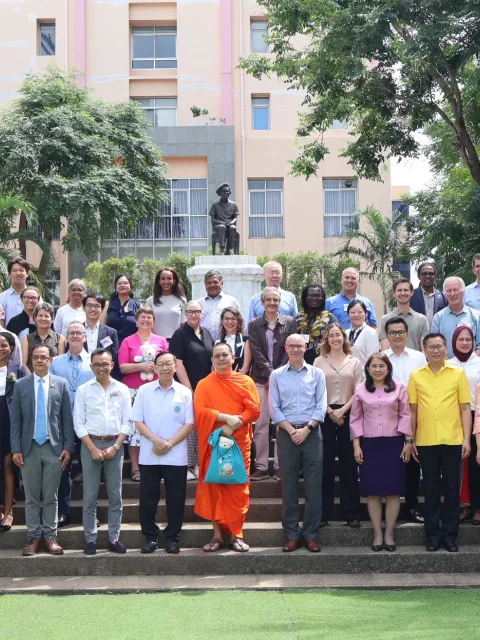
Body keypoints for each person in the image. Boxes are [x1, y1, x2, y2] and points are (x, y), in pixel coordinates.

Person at [407, 333, 472, 552]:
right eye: (432, 347)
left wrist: (466, 439)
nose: (436, 350)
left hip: (453, 440)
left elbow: (465, 408)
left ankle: (450, 535)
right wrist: (412, 438)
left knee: (452, 489)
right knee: (432, 489)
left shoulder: (458, 373)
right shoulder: (416, 375)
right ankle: (433, 535)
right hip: (426, 441)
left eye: (440, 346)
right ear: (424, 350)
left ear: (446, 349)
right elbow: (413, 410)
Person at [194, 342, 260, 552]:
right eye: (217, 356)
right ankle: (217, 535)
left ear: (233, 358)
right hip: (214, 444)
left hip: (239, 443)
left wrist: (235, 424)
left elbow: (254, 410)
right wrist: (225, 419)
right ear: (212, 360)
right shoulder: (204, 384)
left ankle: (236, 535)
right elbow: (200, 412)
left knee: (238, 488)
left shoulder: (245, 381)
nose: (221, 359)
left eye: (225, 355)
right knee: (215, 486)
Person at [10, 344, 74, 556]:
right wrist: (16, 448)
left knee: (51, 496)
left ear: (51, 360)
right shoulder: (21, 385)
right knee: (31, 497)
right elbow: (16, 420)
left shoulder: (61, 384)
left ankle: (50, 537)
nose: (39, 360)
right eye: (36, 357)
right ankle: (33, 538)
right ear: (31, 361)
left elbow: (67, 418)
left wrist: (67, 446)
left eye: (43, 357)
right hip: (28, 449)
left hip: (53, 447)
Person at [132, 351, 194, 554]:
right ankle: (150, 537)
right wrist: (157, 441)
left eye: (170, 364)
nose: (166, 368)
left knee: (176, 499)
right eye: (162, 364)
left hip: (176, 455)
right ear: (155, 368)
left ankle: (172, 537)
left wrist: (168, 444)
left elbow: (189, 424)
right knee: (148, 498)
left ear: (176, 367)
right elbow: (138, 421)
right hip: (149, 454)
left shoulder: (184, 392)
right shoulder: (144, 390)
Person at [269, 335, 326, 552]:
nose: (295, 349)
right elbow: (274, 408)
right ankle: (292, 534)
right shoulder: (276, 375)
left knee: (314, 486)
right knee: (289, 486)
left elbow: (321, 405)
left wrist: (307, 429)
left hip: (311, 433)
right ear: (285, 348)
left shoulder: (317, 374)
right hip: (286, 432)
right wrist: (293, 431)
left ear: (306, 347)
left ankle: (311, 535)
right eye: (291, 346)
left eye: (299, 346)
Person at [350, 354, 412, 551]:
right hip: (369, 444)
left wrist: (409, 441)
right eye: (374, 366)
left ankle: (389, 533)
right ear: (367, 369)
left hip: (394, 443)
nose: (378, 369)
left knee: (393, 492)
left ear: (388, 368)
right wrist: (356, 445)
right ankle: (377, 533)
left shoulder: (399, 387)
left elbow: (405, 414)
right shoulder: (360, 389)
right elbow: (355, 418)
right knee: (373, 493)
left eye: (382, 366)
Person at [74, 348, 131, 555]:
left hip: (115, 445)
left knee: (116, 495)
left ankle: (114, 538)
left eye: (105, 364)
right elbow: (78, 424)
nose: (101, 368)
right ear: (91, 367)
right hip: (90, 445)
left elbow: (127, 422)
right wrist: (92, 448)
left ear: (112, 365)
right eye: (97, 364)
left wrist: (116, 447)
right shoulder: (84, 390)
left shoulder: (122, 389)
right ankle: (90, 539)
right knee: (90, 496)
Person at [314, 323, 363, 527]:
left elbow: (359, 390)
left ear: (344, 337)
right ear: (326, 338)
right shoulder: (318, 361)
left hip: (348, 413)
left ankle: (351, 513)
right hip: (325, 413)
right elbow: (315, 389)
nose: (335, 338)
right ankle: (323, 514)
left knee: (348, 465)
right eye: (331, 335)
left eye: (338, 335)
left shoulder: (355, 362)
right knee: (324, 464)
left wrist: (342, 411)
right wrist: (330, 411)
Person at [248, 287, 296, 481]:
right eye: (268, 300)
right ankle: (260, 466)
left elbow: (288, 350)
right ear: (262, 303)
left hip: (284, 379)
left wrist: (276, 375)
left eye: (275, 300)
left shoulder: (290, 322)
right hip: (260, 379)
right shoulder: (254, 324)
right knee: (261, 424)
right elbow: (256, 350)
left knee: (282, 423)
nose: (272, 303)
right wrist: (269, 374)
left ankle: (279, 465)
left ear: (280, 302)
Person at [382, 317, 427, 524]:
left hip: (414, 414)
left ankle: (411, 505)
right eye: (392, 332)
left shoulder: (419, 357)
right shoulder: (381, 358)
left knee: (412, 463)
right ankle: (389, 505)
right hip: (386, 418)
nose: (397, 336)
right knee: (389, 462)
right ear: (387, 335)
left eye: (400, 332)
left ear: (407, 334)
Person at [50, 321, 95, 521]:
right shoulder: (55, 362)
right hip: (62, 420)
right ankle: (63, 511)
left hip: (88, 419)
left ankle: (91, 513)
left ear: (85, 337)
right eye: (71, 333)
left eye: (79, 332)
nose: (75, 336)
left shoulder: (94, 361)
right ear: (66, 337)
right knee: (63, 466)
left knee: (91, 468)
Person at [118, 306, 168, 483]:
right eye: (143, 317)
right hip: (134, 390)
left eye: (149, 317)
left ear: (153, 321)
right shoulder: (128, 341)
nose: (146, 320)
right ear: (137, 321)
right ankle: (135, 468)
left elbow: (167, 363)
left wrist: (156, 367)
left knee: (155, 427)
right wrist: (141, 366)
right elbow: (122, 367)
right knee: (135, 431)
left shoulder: (161, 341)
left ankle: (156, 466)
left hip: (157, 389)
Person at [169, 300, 215, 479]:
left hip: (206, 388)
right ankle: (190, 466)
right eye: (190, 312)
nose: (193, 315)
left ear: (202, 313)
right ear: (185, 314)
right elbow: (177, 363)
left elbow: (212, 360)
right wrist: (190, 389)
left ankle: (203, 463)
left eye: (197, 311)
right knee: (190, 427)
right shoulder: (180, 334)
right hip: (188, 388)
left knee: (204, 425)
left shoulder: (207, 333)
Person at [448, 325, 480, 523]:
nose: (465, 343)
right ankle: (462, 505)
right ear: (454, 342)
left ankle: (477, 507)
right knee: (457, 464)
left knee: (475, 464)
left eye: (468, 339)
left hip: (477, 416)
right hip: (453, 416)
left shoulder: (479, 362)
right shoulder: (447, 363)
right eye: (461, 339)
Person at [0, 333, 28, 532]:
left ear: (11, 348)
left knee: (9, 464)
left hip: (9, 419)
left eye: (4, 345)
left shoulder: (18, 369)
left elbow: (27, 393)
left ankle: (9, 512)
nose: (1, 349)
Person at [431, 277, 480, 358]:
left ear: (463, 291)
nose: (452, 294)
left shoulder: (476, 316)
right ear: (445, 294)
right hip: (446, 367)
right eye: (449, 291)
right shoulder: (438, 318)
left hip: (471, 366)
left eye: (455, 290)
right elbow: (435, 345)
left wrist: (470, 363)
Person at [379, 278, 429, 351]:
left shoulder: (422, 319)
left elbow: (424, 350)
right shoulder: (385, 319)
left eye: (406, 290)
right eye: (399, 290)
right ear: (394, 293)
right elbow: (385, 350)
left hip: (416, 362)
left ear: (411, 292)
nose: (403, 293)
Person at [296, 284, 337, 365]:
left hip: (324, 360)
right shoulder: (297, 318)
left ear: (323, 298)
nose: (314, 298)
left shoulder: (329, 318)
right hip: (301, 361)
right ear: (305, 298)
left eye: (318, 295)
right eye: (311, 295)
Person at [22, 302, 65, 372]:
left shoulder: (59, 338)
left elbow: (61, 363)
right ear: (35, 318)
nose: (43, 318)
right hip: (32, 378)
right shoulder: (27, 338)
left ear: (52, 319)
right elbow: (24, 364)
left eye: (47, 316)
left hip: (53, 379)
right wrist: (31, 378)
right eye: (40, 315)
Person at [197, 270, 240, 341]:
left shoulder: (231, 301)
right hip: (204, 343)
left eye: (215, 282)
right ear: (205, 285)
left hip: (227, 342)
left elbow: (241, 323)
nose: (212, 285)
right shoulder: (199, 303)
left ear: (222, 283)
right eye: (208, 283)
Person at [145, 267, 186, 339]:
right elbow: (146, 324)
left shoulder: (182, 300)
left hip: (176, 341)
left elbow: (184, 324)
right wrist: (159, 340)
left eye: (169, 278)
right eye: (163, 279)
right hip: (156, 343)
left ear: (174, 281)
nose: (166, 281)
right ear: (159, 281)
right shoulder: (150, 301)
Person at [101, 274, 141, 346]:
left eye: (125, 283)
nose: (122, 285)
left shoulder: (138, 306)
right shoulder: (108, 304)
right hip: (112, 346)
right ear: (115, 287)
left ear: (131, 286)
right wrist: (108, 347)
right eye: (119, 283)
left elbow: (142, 328)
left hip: (132, 346)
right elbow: (102, 328)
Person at [0, 259, 39, 326]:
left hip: (32, 335)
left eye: (21, 270)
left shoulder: (35, 296)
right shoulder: (2, 297)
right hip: (9, 335)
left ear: (27, 274)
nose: (18, 273)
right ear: (9, 274)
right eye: (14, 271)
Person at [82, 292, 119, 362]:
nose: (93, 309)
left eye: (97, 306)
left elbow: (114, 356)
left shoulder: (111, 333)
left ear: (102, 309)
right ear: (84, 308)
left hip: (103, 371)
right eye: (89, 305)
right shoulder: (75, 331)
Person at [410, 262, 447, 328]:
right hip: (417, 336)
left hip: (437, 336)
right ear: (418, 276)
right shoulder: (411, 296)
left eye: (431, 274)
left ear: (435, 276)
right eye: (424, 274)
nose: (427, 276)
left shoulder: (443, 297)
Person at [216, 307, 252, 373]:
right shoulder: (217, 342)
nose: (230, 322)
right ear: (222, 321)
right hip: (220, 381)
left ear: (238, 321)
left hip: (239, 380)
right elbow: (214, 367)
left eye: (233, 319)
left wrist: (232, 381)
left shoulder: (245, 341)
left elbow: (245, 367)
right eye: (226, 318)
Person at [346, 300, 380, 367]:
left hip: (364, 375)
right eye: (352, 312)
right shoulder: (345, 333)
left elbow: (372, 360)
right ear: (348, 314)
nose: (356, 315)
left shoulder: (370, 333)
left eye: (360, 312)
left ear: (366, 313)